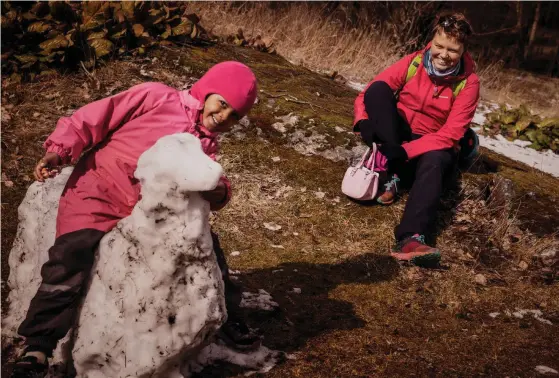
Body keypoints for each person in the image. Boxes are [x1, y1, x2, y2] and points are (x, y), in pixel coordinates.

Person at [11, 61, 260, 377]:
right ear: (207, 90)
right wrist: (59, 151)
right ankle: (38, 347)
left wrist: (218, 191)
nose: (224, 116)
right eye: (222, 103)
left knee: (209, 251)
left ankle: (227, 318)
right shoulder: (157, 97)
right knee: (69, 259)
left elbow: (214, 183)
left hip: (144, 214)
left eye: (235, 114)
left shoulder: (206, 144)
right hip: (96, 193)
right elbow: (94, 118)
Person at [353, 13, 480, 266]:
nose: (443, 54)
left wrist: (405, 151)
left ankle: (411, 237)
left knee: (436, 159)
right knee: (379, 91)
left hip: (434, 142)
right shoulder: (414, 62)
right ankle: (392, 177)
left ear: (463, 50)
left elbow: (451, 134)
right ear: (431, 42)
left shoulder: (469, 83)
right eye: (439, 46)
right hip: (399, 134)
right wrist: (363, 121)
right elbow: (371, 91)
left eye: (452, 50)